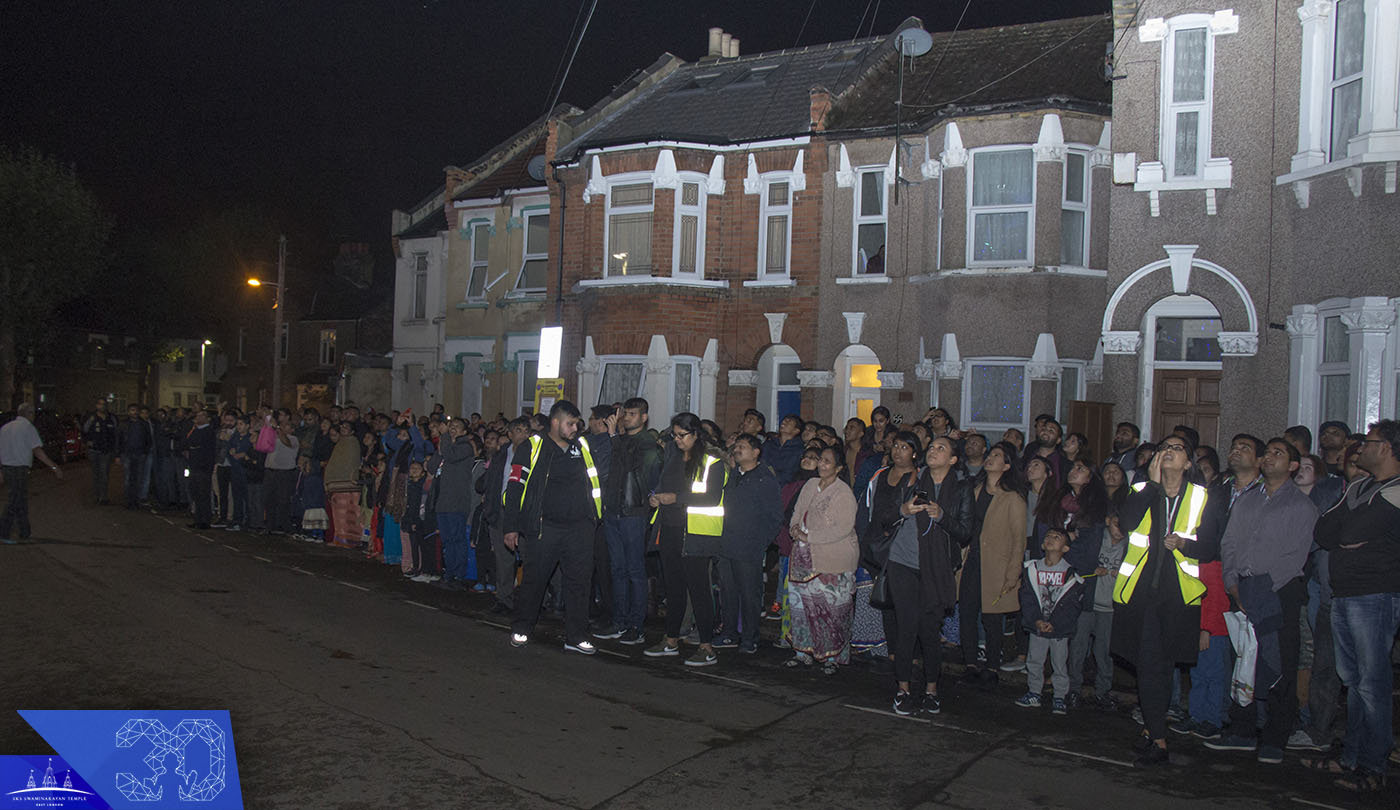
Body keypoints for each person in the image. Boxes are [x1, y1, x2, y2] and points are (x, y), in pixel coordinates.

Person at [1206, 438, 1316, 763]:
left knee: (1279, 662)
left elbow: (1295, 556)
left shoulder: (1301, 506)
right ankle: (1242, 730)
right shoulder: (1247, 501)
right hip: (1243, 588)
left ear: (1293, 466)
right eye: (1267, 452)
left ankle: (1275, 737)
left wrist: (1259, 591)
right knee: (1244, 660)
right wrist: (1233, 583)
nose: (1269, 457)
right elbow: (1229, 544)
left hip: (1278, 592)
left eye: (1277, 453)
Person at [1305, 419, 1400, 793]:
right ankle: (1353, 756)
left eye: (1370, 442)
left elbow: (1349, 531)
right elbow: (1325, 532)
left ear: (1388, 448)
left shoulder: (1395, 490)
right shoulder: (1361, 486)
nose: (1360, 449)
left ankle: (1373, 764)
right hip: (1344, 594)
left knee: (1371, 684)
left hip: (1375, 595)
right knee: (1353, 681)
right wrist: (1350, 533)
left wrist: (1350, 533)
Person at [1110, 436, 1213, 768]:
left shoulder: (1201, 497)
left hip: (1177, 597)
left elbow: (1212, 546)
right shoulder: (1143, 491)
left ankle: (1158, 738)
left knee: (1158, 666)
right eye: (1164, 447)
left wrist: (1185, 544)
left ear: (1188, 463)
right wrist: (1152, 487)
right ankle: (1153, 731)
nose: (1168, 451)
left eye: (1177, 448)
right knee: (1149, 664)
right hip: (1139, 594)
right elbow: (1125, 525)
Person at [503, 401, 604, 655]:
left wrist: (593, 518)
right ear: (556, 423)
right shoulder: (532, 447)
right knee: (535, 580)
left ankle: (576, 636)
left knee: (579, 583)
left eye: (577, 424)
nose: (575, 428)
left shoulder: (581, 447)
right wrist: (511, 526)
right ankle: (522, 628)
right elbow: (515, 486)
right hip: (544, 528)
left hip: (580, 529)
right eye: (571, 424)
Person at [890, 436, 972, 716]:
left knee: (929, 630)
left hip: (935, 568)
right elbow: (885, 517)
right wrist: (903, 510)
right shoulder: (912, 479)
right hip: (904, 562)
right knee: (906, 627)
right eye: (932, 446)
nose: (933, 451)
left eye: (942, 448)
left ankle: (931, 691)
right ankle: (902, 689)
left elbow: (965, 531)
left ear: (952, 460)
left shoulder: (961, 487)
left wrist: (942, 517)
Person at [644, 412, 726, 667]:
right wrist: (656, 497)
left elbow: (711, 498)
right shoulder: (673, 457)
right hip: (669, 529)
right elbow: (662, 486)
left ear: (696, 434)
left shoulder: (712, 461)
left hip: (696, 533)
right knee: (674, 588)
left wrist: (674, 498)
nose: (677, 440)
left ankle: (706, 645)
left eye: (682, 435)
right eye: (674, 435)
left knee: (699, 590)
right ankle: (671, 640)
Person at [785, 445, 859, 674]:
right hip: (803, 558)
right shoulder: (809, 485)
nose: (822, 465)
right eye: (820, 460)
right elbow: (797, 511)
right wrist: (795, 529)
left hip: (832, 558)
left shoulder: (843, 492)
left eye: (827, 461)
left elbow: (843, 528)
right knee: (802, 607)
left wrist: (810, 536)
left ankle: (832, 657)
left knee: (831, 610)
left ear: (838, 468)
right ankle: (803, 652)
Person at [961, 442, 1028, 683]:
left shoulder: (1013, 499)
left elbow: (1019, 540)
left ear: (1007, 466)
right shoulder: (974, 489)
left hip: (996, 566)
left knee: (992, 619)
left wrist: (1013, 574)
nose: (990, 458)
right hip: (972, 560)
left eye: (997, 456)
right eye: (991, 454)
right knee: (967, 613)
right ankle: (970, 663)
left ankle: (991, 667)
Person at [598, 397, 661, 645]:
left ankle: (637, 625)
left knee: (635, 570)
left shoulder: (648, 444)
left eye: (632, 414)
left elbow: (631, 469)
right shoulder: (622, 441)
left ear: (644, 418)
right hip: (613, 511)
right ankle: (620, 621)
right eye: (625, 413)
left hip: (633, 513)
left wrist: (614, 437)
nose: (626, 418)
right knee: (617, 569)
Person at [713, 433, 782, 654]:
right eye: (736, 446)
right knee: (728, 592)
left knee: (750, 595)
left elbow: (774, 516)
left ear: (756, 452)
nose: (737, 449)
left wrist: (760, 543)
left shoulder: (764, 478)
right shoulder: (733, 475)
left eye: (742, 446)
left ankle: (750, 638)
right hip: (726, 545)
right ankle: (729, 634)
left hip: (748, 547)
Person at [860, 431, 922, 673]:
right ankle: (893, 652)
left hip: (903, 545)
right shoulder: (880, 475)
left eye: (905, 447)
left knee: (906, 602)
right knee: (885, 597)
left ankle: (912, 654)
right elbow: (869, 508)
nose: (898, 451)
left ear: (915, 452)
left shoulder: (918, 478)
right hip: (879, 544)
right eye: (895, 445)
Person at [1016, 528, 1084, 715]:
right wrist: (1036, 620)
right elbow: (1027, 597)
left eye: (1057, 537)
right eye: (1048, 536)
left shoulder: (1069, 573)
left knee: (1059, 662)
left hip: (1058, 628)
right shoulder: (1032, 568)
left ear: (1066, 548)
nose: (1050, 539)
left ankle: (1060, 696)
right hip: (1038, 626)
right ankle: (1034, 692)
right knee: (1035, 659)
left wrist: (1056, 622)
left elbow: (1071, 604)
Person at [0, 403, 63, 543]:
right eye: (33, 413)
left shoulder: (5, 428)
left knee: (20, 501)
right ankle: (3, 532)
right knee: (14, 501)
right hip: (19, 468)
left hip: (7, 467)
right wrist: (54, 467)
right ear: (28, 414)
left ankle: (25, 532)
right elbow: (37, 451)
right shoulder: (28, 428)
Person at [434, 418, 479, 590]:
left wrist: (444, 435)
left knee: (457, 539)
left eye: (455, 427)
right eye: (450, 427)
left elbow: (450, 456)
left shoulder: (465, 447)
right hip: (444, 501)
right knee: (447, 540)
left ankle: (459, 576)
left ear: (464, 432)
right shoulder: (447, 447)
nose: (451, 429)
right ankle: (449, 573)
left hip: (456, 502)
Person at [183, 409, 216, 529]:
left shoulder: (208, 431)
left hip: (203, 466)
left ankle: (205, 520)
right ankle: (197, 518)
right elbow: (188, 442)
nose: (198, 417)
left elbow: (199, 445)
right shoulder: (195, 430)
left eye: (201, 415)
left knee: (203, 494)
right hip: (194, 465)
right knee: (195, 493)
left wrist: (193, 447)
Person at [81, 398, 117, 505]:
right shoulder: (91, 418)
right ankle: (96, 496)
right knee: (96, 474)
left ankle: (103, 497)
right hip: (94, 451)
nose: (102, 406)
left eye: (104, 404)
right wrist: (87, 442)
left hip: (106, 451)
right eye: (100, 404)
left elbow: (115, 434)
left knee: (104, 474)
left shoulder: (111, 418)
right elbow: (84, 430)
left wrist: (114, 449)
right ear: (96, 406)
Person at [761, 414, 805, 485]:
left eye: (789, 421)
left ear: (796, 430)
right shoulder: (768, 445)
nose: (784, 422)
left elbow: (791, 475)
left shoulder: (799, 450)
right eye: (784, 420)